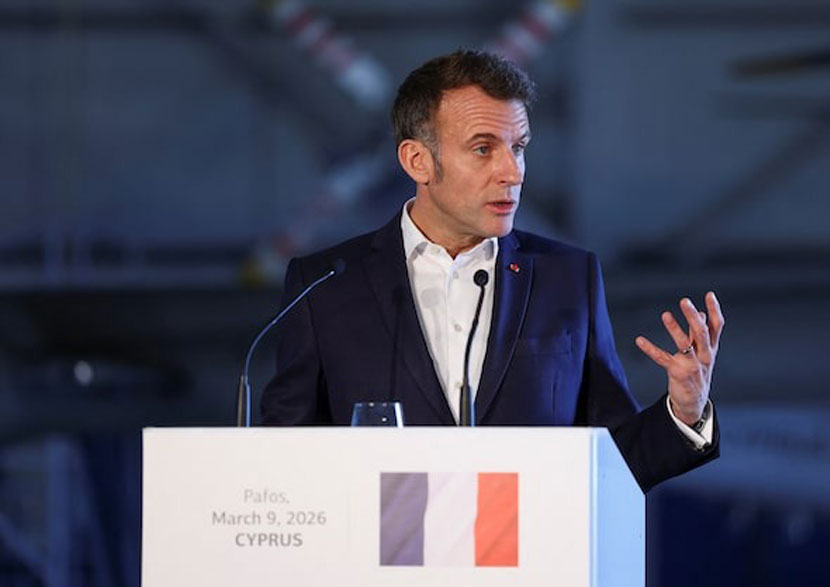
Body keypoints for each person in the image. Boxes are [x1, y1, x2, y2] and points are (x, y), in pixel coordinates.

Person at [261, 50, 723, 492]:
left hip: (528, 561)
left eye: (518, 147)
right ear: (417, 161)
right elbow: (284, 457)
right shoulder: (326, 285)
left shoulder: (566, 278)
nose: (512, 171)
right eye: (483, 149)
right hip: (381, 561)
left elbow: (616, 463)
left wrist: (685, 412)